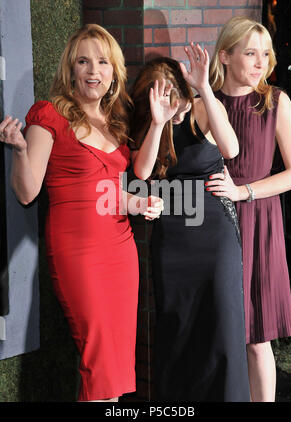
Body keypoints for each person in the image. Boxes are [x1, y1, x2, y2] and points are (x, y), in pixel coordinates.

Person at [0, 24, 163, 402]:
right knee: (99, 362)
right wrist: (20, 151)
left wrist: (137, 203)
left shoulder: (117, 124)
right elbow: (27, 193)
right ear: (70, 70)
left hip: (121, 253)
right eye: (84, 61)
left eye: (103, 62)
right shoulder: (49, 114)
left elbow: (110, 194)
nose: (94, 70)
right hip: (79, 255)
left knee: (115, 368)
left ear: (113, 72)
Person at [130, 43, 251, 401]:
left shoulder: (201, 108)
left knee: (223, 327)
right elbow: (142, 173)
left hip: (215, 236)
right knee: (177, 329)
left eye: (179, 102)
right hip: (172, 241)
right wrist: (157, 121)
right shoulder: (151, 122)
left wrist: (204, 90)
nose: (177, 112)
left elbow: (231, 149)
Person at [207, 16, 291, 402]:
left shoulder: (277, 101)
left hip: (259, 222)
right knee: (218, 336)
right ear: (225, 56)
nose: (261, 62)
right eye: (250, 53)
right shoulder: (204, 103)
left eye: (265, 54)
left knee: (257, 340)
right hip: (212, 225)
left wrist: (243, 192)